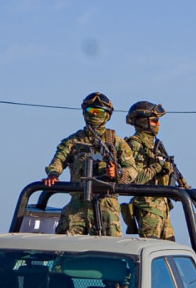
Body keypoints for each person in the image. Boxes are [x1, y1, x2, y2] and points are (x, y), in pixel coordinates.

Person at [43, 92, 136, 236]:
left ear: (107, 115)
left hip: (106, 202)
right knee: (64, 244)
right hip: (78, 202)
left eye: (98, 111)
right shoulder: (73, 141)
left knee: (109, 247)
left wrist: (117, 173)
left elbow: (132, 170)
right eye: (90, 110)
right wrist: (53, 174)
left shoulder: (116, 142)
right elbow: (59, 159)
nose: (94, 114)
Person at [121, 101, 184, 240]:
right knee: (151, 247)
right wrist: (158, 165)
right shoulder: (135, 145)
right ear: (143, 121)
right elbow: (136, 180)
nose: (158, 124)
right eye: (154, 121)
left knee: (169, 249)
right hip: (148, 209)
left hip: (163, 208)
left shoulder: (155, 145)